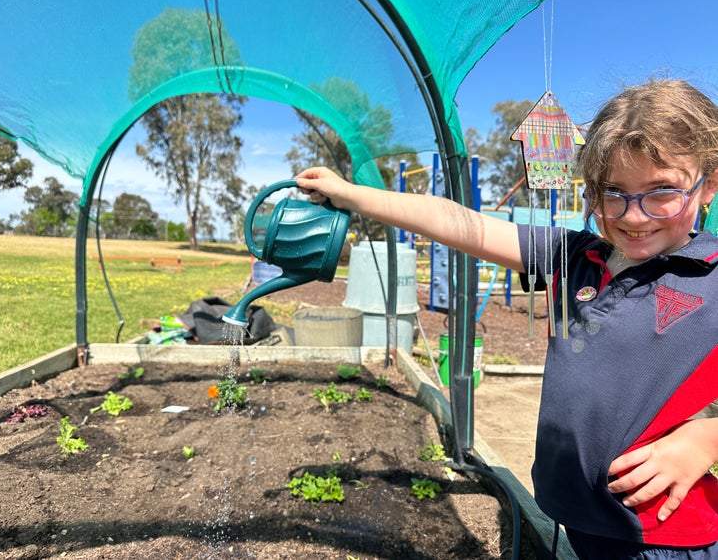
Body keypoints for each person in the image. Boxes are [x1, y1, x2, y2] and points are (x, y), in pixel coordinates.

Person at [295, 79, 718, 559]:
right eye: (612, 192)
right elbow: (460, 223)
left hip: (660, 535)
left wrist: (707, 437)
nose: (633, 215)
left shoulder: (712, 278)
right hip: (579, 518)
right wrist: (351, 195)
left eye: (662, 191)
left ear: (711, 183)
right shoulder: (573, 255)